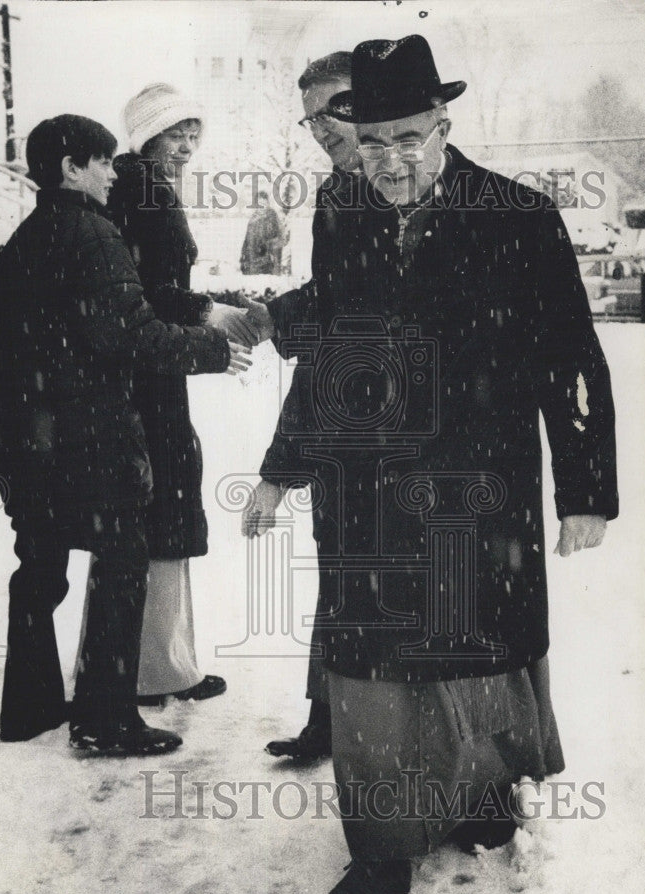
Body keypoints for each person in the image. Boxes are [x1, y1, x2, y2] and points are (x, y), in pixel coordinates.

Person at [238, 36, 617, 894]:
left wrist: (586, 489)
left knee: (477, 651)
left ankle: (482, 801)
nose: (389, 160)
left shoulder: (516, 214)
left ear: (444, 124)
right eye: (371, 142)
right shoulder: (339, 206)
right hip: (369, 485)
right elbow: (331, 344)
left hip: (479, 481)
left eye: (409, 137)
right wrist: (280, 470)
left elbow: (571, 354)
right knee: (372, 671)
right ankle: (377, 854)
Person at [0, 114, 250, 756]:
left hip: (30, 443)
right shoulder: (94, 237)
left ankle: (30, 704)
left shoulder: (26, 240)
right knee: (122, 565)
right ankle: (105, 718)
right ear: (71, 168)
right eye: (101, 162)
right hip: (92, 443)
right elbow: (132, 333)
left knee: (39, 571)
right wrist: (212, 348)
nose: (111, 173)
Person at [234, 51, 361, 762]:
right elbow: (333, 322)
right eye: (311, 116)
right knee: (341, 587)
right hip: (345, 436)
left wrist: (275, 319)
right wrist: (268, 318)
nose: (321, 128)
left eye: (335, 107)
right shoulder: (336, 200)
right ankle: (328, 721)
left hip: (414, 446)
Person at [106, 82, 248, 707]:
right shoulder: (146, 191)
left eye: (195, 132)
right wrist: (210, 315)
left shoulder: (131, 187)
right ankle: (154, 670)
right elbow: (151, 294)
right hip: (149, 374)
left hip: (144, 372)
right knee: (162, 509)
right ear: (147, 136)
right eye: (177, 133)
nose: (188, 145)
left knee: (154, 511)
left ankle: (160, 664)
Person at [239, 190, 285, 275]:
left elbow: (277, 238)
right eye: (259, 203)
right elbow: (247, 240)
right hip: (252, 260)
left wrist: (267, 247)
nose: (261, 206)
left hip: (267, 260)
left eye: (264, 203)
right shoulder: (253, 220)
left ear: (268, 204)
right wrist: (243, 257)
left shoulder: (272, 217)